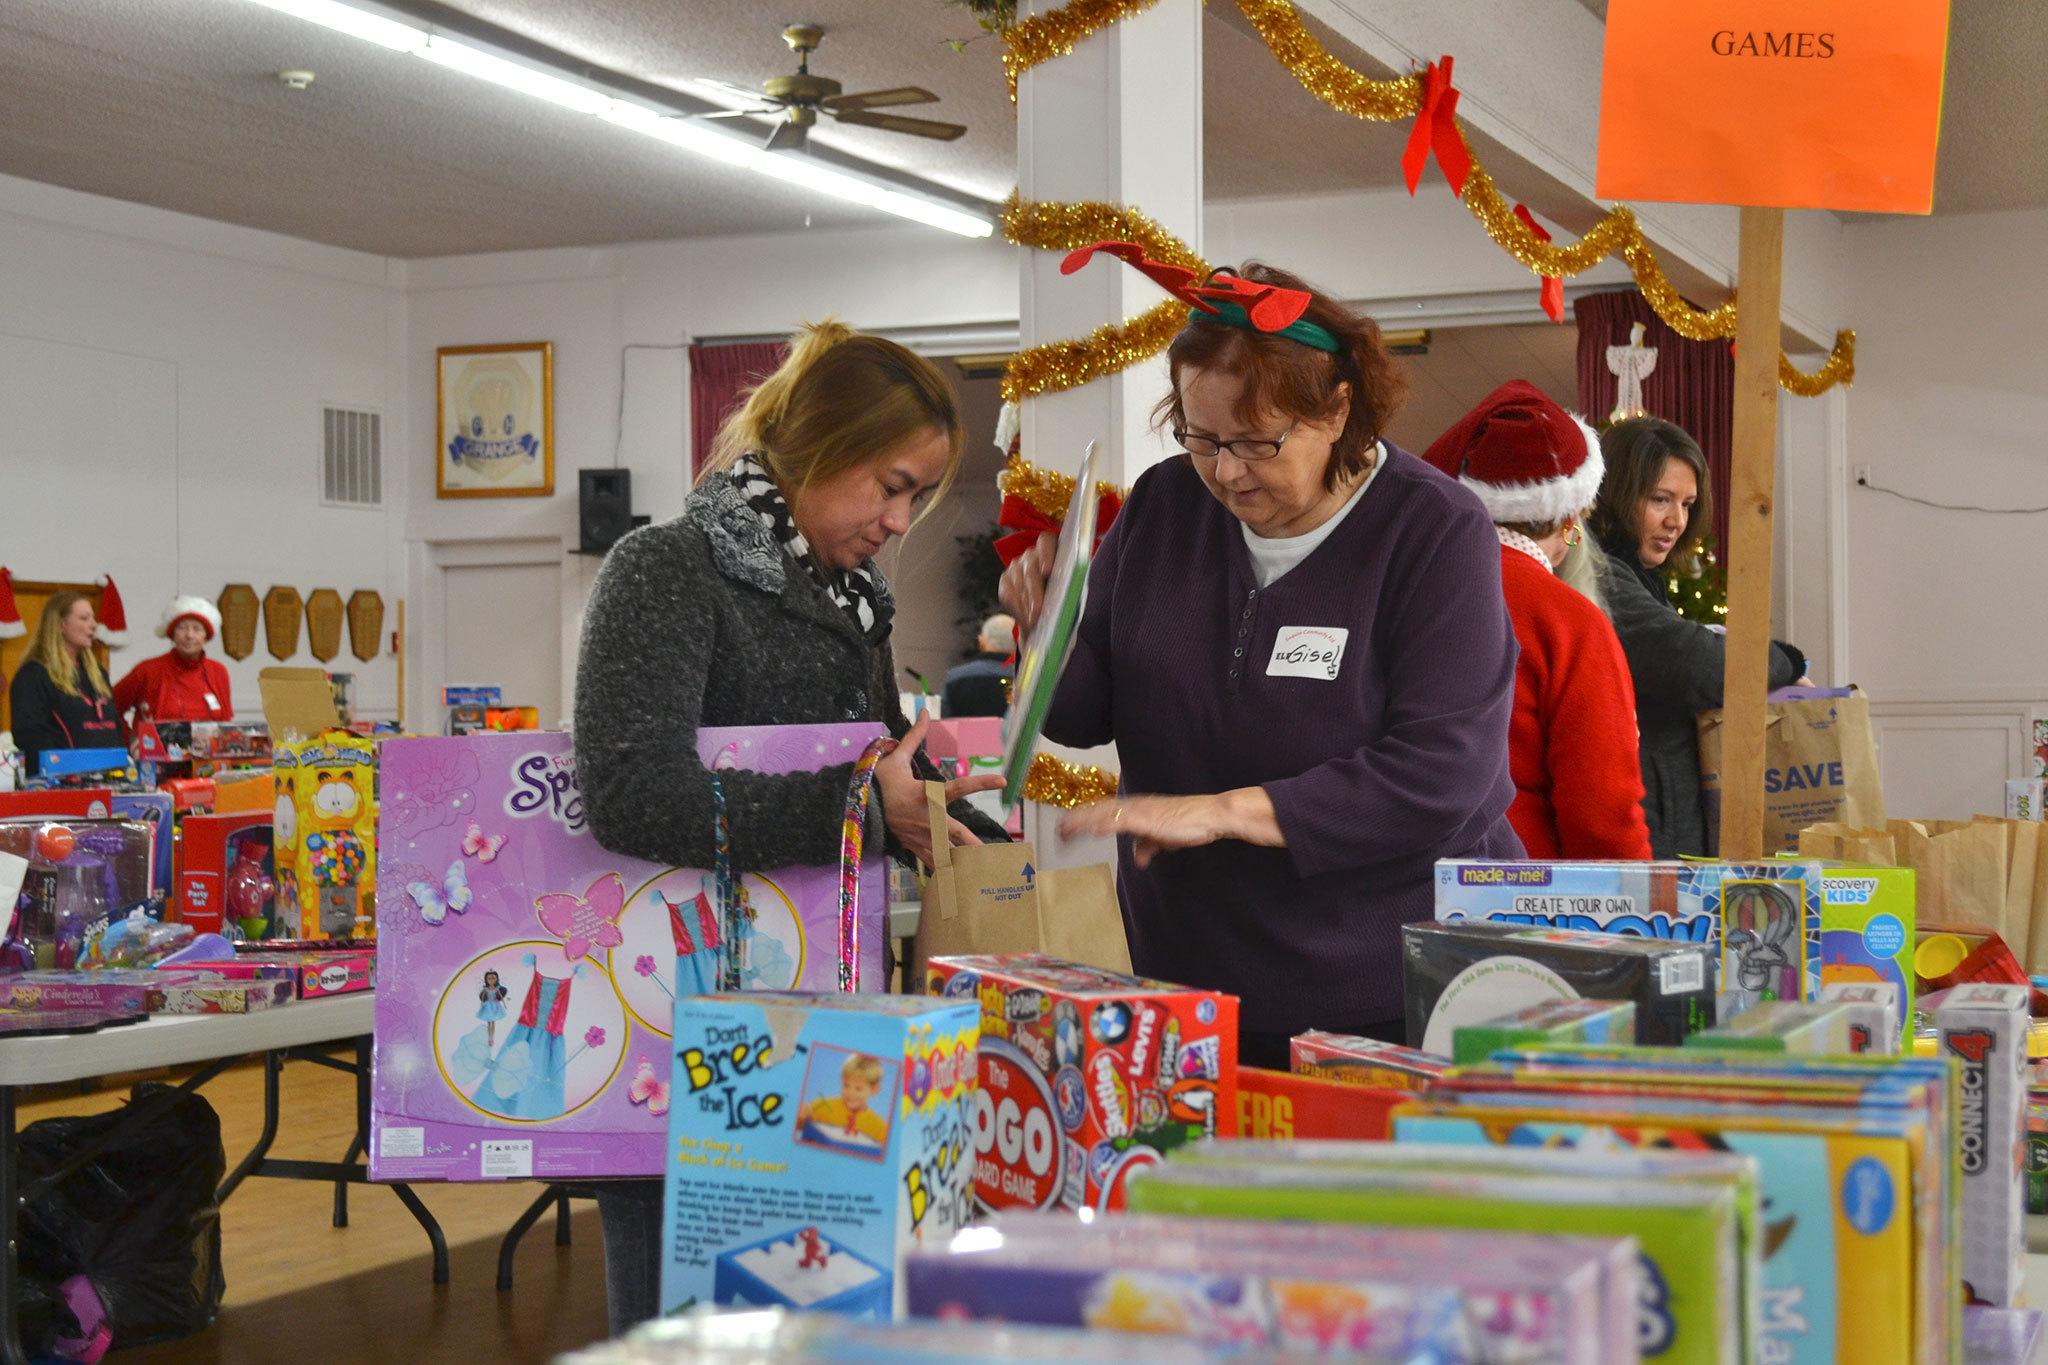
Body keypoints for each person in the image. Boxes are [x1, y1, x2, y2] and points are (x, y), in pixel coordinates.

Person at [574, 319, 1004, 1334]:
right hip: (685, 1029)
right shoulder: (667, 568)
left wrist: (962, 822)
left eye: (918, 495)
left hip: (822, 1014)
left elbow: (875, 769)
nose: (902, 521)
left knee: (819, 1319)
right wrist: (853, 810)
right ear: (816, 446)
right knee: (684, 1331)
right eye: (891, 484)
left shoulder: (851, 597)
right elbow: (630, 791)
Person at [1002, 244, 1523, 1067]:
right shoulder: (1165, 508)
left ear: (1339, 410)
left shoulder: (1432, 531)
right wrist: (1045, 634)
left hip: (1386, 989)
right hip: (1195, 978)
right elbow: (1082, 708)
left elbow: (1441, 771)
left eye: (1256, 441)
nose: (1225, 472)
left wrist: (1221, 811)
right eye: (1199, 436)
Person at [1421, 381, 1652, 860]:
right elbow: (1602, 812)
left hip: (1395, 890)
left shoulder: (1407, 591)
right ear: (1570, 520)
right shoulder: (1570, 620)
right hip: (1522, 894)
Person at [1591, 416, 1807, 858]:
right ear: (1617, 495)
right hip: (1643, 826)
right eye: (1660, 500)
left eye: (1687, 504)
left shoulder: (1637, 575)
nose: (1677, 521)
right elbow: (1697, 663)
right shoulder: (1602, 577)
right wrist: (1788, 661)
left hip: (1661, 815)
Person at [8, 593, 125, 776]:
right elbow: (30, 736)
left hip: (110, 779)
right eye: (84, 618)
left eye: (93, 618)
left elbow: (114, 727)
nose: (93, 625)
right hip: (59, 784)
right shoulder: (33, 675)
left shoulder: (98, 674)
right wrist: (68, 770)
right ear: (61, 625)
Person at [112, 596, 234, 725]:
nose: (189, 635)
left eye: (197, 629)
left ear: (206, 636)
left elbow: (225, 724)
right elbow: (109, 710)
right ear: (172, 634)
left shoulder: (218, 671)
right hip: (155, 745)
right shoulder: (147, 670)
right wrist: (130, 740)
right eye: (182, 628)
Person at [939, 612, 1016, 718]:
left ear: (981, 641)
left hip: (965, 735)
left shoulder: (955, 677)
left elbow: (945, 721)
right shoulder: (1027, 679)